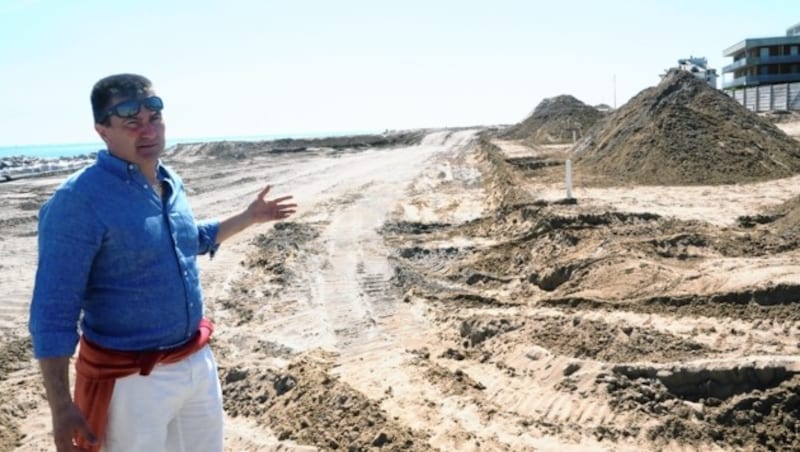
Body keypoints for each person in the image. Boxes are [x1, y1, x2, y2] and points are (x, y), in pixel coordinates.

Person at [28, 73, 297, 452]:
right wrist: (60, 408)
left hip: (196, 362)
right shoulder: (77, 201)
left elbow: (190, 240)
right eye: (131, 123)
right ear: (103, 130)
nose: (147, 131)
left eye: (154, 119)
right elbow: (52, 312)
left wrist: (249, 217)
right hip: (132, 383)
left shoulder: (170, 180)